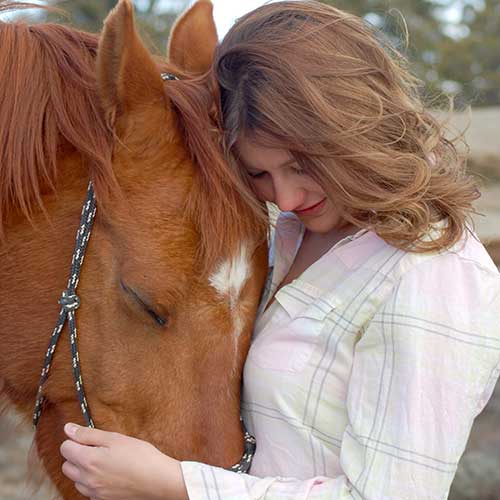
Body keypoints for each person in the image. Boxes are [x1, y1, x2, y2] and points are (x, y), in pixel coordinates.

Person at [59, 1, 500, 498]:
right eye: (258, 173)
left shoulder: (432, 274)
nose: (287, 198)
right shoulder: (293, 234)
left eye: (303, 164)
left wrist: (177, 485)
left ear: (356, 129)